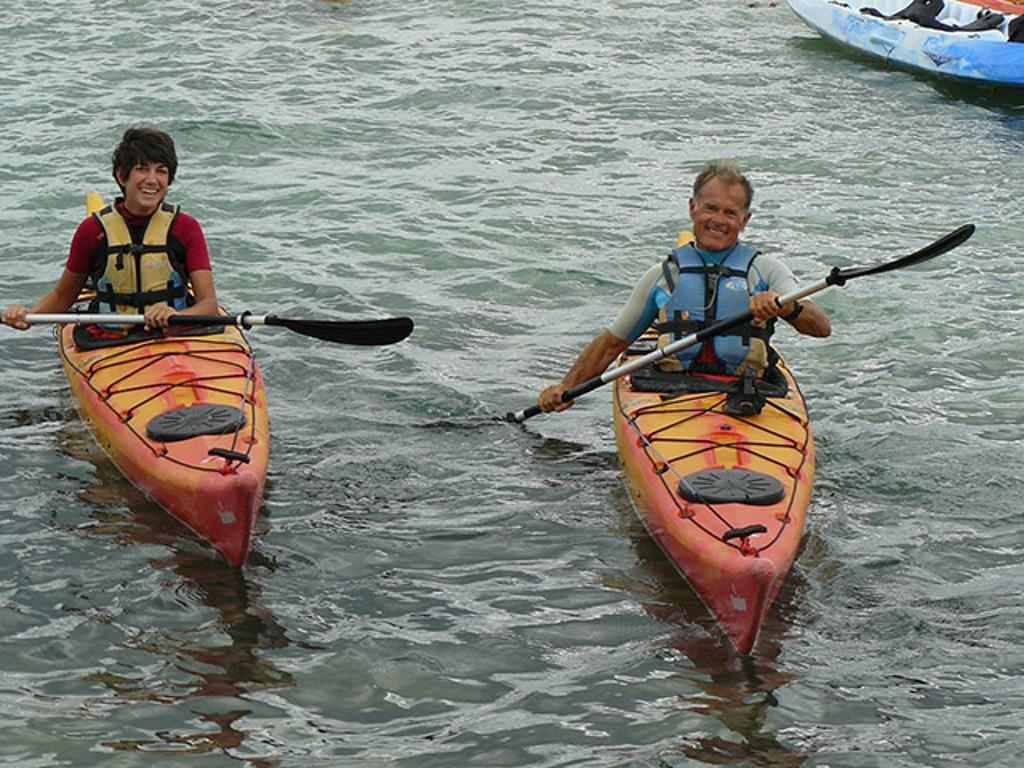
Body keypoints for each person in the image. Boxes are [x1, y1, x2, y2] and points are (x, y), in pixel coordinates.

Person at [538, 159, 831, 413]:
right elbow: (611, 344)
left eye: (730, 213)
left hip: (747, 395)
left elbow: (821, 328)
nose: (719, 220)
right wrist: (565, 387)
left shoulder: (766, 270)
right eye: (710, 208)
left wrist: (788, 307)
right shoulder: (664, 276)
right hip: (670, 391)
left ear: (745, 220)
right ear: (693, 208)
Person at [2, 126, 217, 334]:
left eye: (161, 171)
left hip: (174, 332)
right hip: (111, 337)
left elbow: (208, 305)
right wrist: (28, 316)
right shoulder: (92, 230)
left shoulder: (185, 227)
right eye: (142, 169)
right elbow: (63, 296)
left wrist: (175, 315)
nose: (152, 180)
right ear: (122, 176)